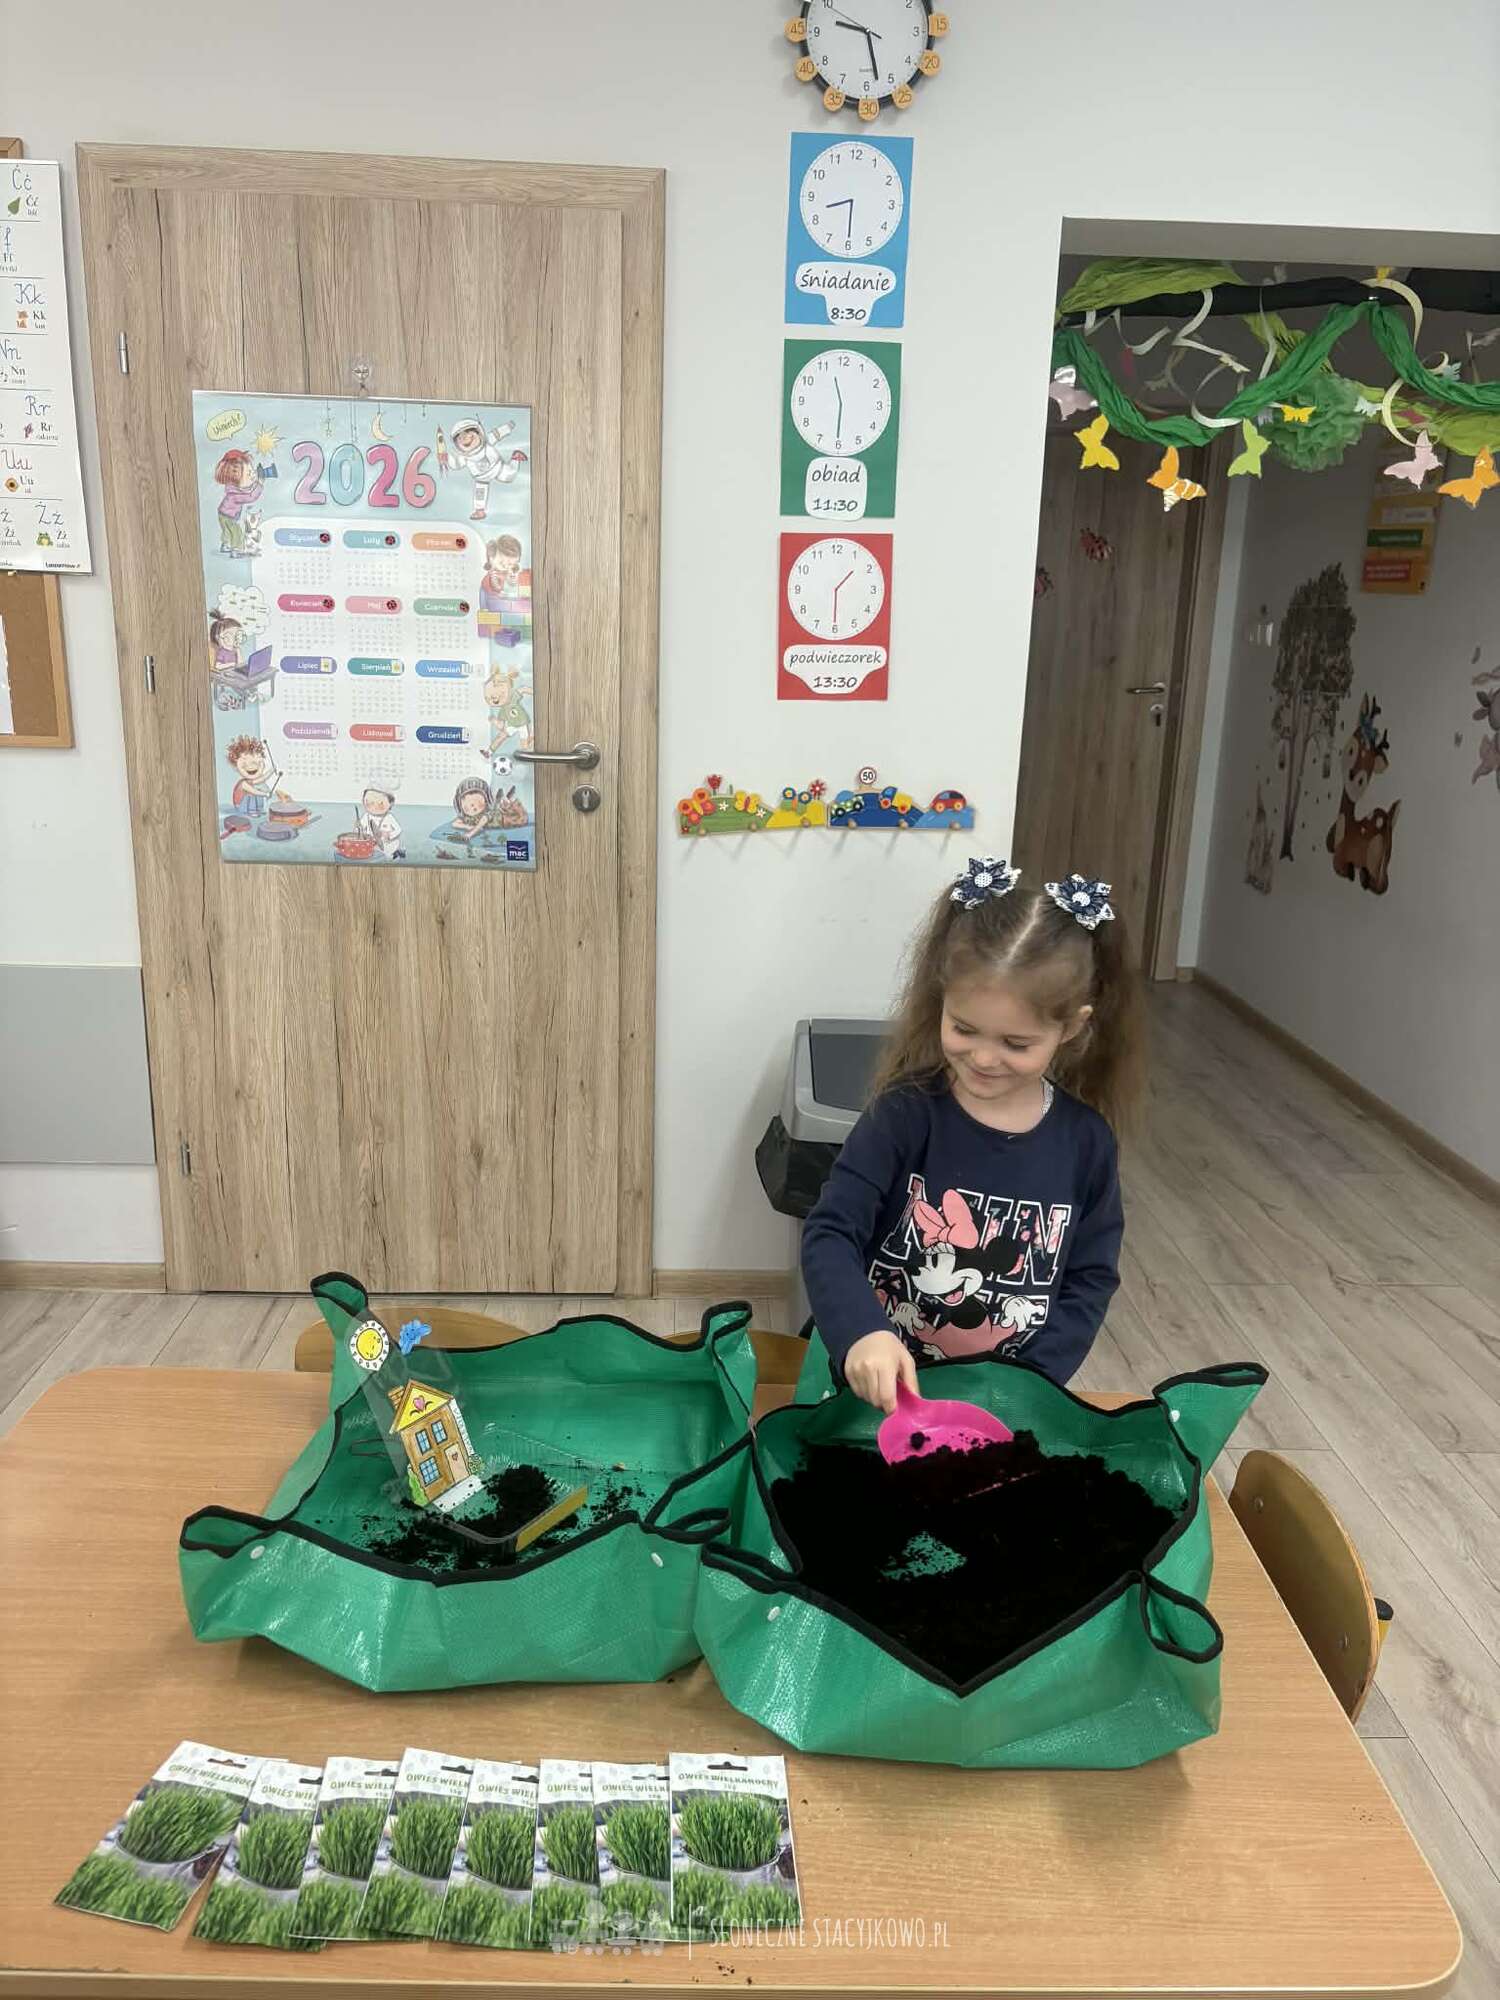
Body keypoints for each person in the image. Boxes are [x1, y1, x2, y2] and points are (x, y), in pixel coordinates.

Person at [801, 858, 1144, 1412]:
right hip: (864, 1396)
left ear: (1072, 1027)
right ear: (942, 1001)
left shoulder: (1087, 1143)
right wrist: (862, 1333)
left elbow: (1089, 1281)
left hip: (998, 1406)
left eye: (1015, 1043)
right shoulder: (904, 1113)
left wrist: (1026, 1386)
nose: (983, 1058)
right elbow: (830, 1231)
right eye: (963, 1029)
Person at [356, 783, 405, 860]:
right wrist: (358, 827)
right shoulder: (366, 816)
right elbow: (360, 829)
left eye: (380, 804)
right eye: (369, 803)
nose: (374, 807)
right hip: (372, 844)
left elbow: (398, 830)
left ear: (391, 804)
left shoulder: (389, 817)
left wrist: (389, 835)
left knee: (388, 855)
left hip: (388, 844)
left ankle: (396, 853)